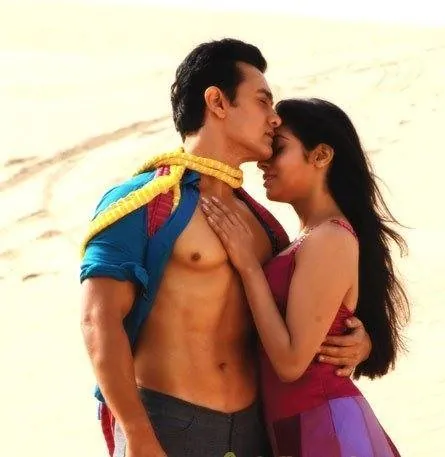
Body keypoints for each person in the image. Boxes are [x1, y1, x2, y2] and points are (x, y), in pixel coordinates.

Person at [80, 40, 372, 457]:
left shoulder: (264, 225)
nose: (274, 118)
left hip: (258, 431)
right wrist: (138, 434)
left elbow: (296, 320)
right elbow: (99, 320)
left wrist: (358, 340)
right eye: (262, 101)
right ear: (217, 102)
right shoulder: (142, 203)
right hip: (168, 424)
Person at [201, 97, 410, 456]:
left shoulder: (330, 237)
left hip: (325, 426)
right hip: (298, 426)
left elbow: (291, 363)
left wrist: (249, 266)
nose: (264, 161)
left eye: (279, 149)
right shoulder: (303, 240)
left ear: (321, 155)